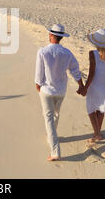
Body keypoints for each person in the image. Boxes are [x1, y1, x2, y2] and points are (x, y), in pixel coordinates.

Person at [35, 24, 85, 161]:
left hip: (46, 89)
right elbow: (75, 70)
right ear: (61, 37)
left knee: (49, 118)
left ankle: (55, 150)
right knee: (56, 114)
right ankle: (52, 136)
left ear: (51, 35)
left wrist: (38, 85)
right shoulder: (67, 53)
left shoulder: (42, 51)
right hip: (61, 90)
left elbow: (39, 74)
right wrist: (81, 86)